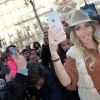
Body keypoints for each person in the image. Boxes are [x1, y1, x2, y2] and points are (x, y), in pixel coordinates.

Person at [48, 9, 100, 100]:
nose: (84, 31)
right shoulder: (74, 54)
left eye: (86, 25)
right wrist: (53, 53)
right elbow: (66, 82)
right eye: (78, 28)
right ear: (74, 33)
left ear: (92, 27)